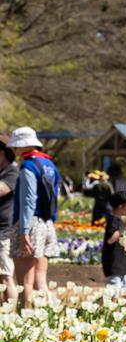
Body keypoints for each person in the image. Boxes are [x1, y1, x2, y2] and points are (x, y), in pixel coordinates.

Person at [9, 127, 62, 308]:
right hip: (47, 224)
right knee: (41, 279)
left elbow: (28, 201)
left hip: (29, 223)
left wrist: (24, 232)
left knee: (26, 282)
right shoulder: (49, 164)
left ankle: (26, 316)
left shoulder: (28, 166)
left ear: (21, 147)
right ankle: (46, 315)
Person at [103, 191, 126, 302]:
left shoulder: (120, 221)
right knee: (112, 295)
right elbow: (110, 240)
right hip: (114, 265)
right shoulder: (112, 221)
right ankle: (99, 312)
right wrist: (124, 226)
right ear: (121, 207)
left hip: (123, 265)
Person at [0, 140, 19, 303]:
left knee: (6, 275)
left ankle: (10, 312)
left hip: (4, 229)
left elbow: (1, 189)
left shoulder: (12, 171)